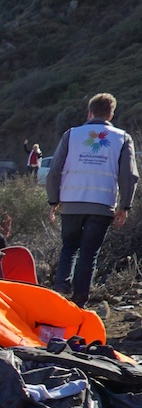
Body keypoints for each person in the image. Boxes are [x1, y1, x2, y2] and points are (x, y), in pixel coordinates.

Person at [47, 92, 138, 306]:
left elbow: (54, 171)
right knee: (89, 253)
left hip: (70, 203)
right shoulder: (122, 138)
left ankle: (60, 288)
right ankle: (79, 301)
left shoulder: (72, 135)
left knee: (69, 247)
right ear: (111, 115)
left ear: (89, 113)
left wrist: (53, 200)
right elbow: (130, 175)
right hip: (102, 205)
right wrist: (125, 206)